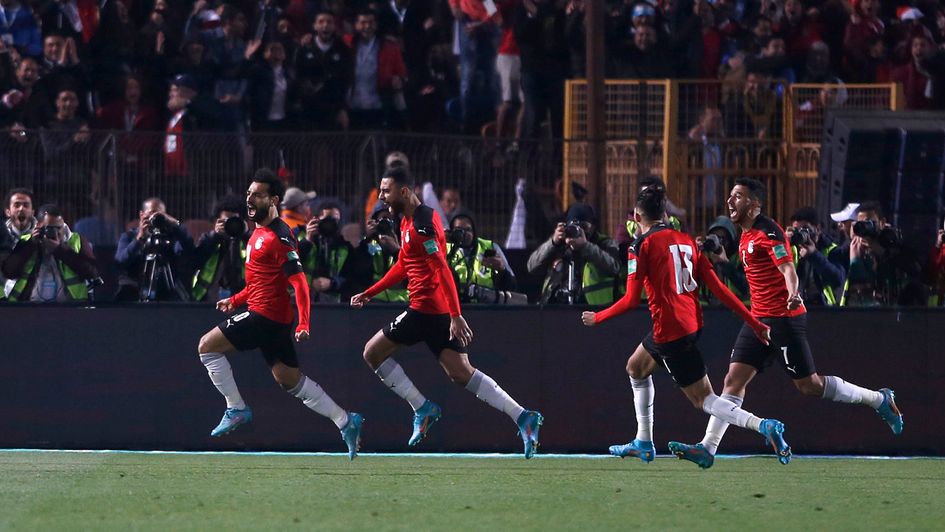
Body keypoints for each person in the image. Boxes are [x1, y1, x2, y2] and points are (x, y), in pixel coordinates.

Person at [668, 179, 904, 469]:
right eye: (730, 196)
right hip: (758, 320)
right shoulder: (745, 235)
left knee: (810, 385)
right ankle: (708, 447)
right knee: (733, 381)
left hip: (783, 319)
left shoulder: (769, 231)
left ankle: (878, 399)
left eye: (738, 196)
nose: (730, 201)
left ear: (754, 204)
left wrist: (793, 293)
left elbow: (787, 268)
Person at [581, 185, 788, 465]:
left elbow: (630, 300)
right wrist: (754, 321)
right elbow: (719, 289)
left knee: (704, 399)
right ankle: (643, 441)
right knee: (636, 367)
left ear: (638, 217)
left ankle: (762, 425)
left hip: (670, 332)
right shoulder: (687, 240)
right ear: (665, 214)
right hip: (689, 323)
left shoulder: (639, 246)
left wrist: (598, 317)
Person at [350, 167, 543, 458]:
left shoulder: (422, 225)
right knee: (461, 373)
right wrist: (370, 292)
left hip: (425, 310)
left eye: (386, 190)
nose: (382, 197)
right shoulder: (408, 219)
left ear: (404, 191)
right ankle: (523, 416)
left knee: (372, 353)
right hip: (433, 311)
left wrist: (456, 315)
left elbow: (442, 270)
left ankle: (422, 407)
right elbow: (403, 264)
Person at [196, 168, 364, 459]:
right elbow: (261, 282)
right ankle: (345, 420)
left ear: (273, 200)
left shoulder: (280, 236)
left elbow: (299, 283)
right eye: (249, 193)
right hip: (272, 317)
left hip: (266, 316)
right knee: (290, 380)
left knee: (207, 348)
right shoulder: (257, 233)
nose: (250, 199)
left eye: (257, 195)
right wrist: (235, 300)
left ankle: (236, 408)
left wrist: (304, 322)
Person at [528, 203, 621, 305]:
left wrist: (585, 246)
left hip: (591, 308)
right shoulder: (559, 244)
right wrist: (553, 243)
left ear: (593, 227)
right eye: (573, 227)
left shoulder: (604, 244)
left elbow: (614, 268)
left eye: (584, 227)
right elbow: (532, 267)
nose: (579, 231)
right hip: (556, 307)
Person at [2, 203, 97, 302]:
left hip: (70, 307)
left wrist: (60, 250)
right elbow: (9, 272)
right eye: (50, 228)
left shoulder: (76, 240)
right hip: (31, 306)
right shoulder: (26, 241)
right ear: (38, 226)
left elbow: (92, 273)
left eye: (59, 228)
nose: (56, 232)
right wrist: (31, 244)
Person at [114, 197, 195, 301]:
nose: (155, 218)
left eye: (160, 214)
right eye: (152, 213)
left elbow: (188, 251)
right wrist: (139, 239)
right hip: (134, 290)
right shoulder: (129, 236)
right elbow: (120, 261)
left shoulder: (171, 237)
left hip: (165, 290)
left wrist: (176, 225)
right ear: (142, 214)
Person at [446, 213, 516, 302]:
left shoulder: (490, 247)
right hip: (455, 305)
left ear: (474, 231)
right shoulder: (444, 249)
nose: (463, 234)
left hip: (486, 306)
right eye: (459, 230)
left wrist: (502, 270)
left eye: (468, 230)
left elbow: (512, 286)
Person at [191, 195, 250, 302]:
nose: (230, 224)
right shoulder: (209, 239)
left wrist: (246, 234)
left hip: (243, 299)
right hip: (210, 299)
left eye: (234, 220)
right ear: (217, 221)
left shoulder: (250, 240)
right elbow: (195, 261)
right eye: (226, 221)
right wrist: (215, 236)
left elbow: (263, 257)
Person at [785, 207, 844, 306]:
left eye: (805, 229)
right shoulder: (791, 248)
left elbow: (838, 279)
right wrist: (782, 243)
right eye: (797, 230)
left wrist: (814, 255)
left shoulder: (832, 249)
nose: (801, 234)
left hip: (823, 308)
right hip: (797, 306)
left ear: (818, 228)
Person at [300, 201, 354, 303]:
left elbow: (351, 277)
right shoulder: (300, 237)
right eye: (327, 219)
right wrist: (308, 240)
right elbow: (292, 264)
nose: (331, 224)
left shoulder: (345, 247)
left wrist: (332, 283)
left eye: (335, 220)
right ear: (316, 220)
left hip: (331, 303)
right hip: (303, 298)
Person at [352, 205, 407, 302]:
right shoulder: (368, 245)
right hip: (375, 301)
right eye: (381, 221)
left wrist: (396, 250)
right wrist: (367, 240)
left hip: (402, 301)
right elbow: (359, 274)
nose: (385, 224)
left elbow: (411, 273)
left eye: (389, 220)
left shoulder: (406, 242)